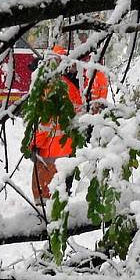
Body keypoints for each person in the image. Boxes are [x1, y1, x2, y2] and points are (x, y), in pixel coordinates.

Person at [29, 45, 83, 204]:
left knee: (44, 199)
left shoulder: (50, 87)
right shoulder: (72, 87)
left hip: (49, 153)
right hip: (66, 150)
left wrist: (33, 144)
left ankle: (43, 224)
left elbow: (44, 123)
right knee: (61, 196)